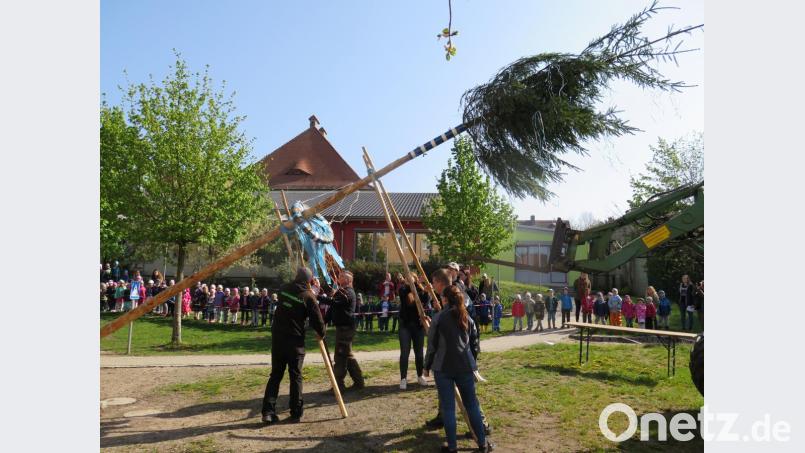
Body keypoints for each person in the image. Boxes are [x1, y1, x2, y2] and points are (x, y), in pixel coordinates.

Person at [424, 270, 493, 453]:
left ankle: (453, 447)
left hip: (444, 368)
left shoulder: (439, 318)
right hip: (464, 366)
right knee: (471, 405)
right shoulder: (467, 317)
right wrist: (472, 362)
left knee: (449, 409)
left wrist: (426, 368)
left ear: (445, 300)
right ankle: (482, 445)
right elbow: (474, 342)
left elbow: (432, 345)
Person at [261, 267, 326, 425]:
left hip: (278, 339)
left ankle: (268, 412)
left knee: (275, 375)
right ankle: (296, 412)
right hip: (294, 341)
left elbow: (293, 294)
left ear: (296, 276)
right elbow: (318, 322)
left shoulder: (283, 289)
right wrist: (322, 333)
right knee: (295, 376)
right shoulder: (308, 297)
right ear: (309, 281)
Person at [320, 270, 365, 391]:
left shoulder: (349, 292)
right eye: (339, 276)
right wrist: (324, 321)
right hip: (342, 328)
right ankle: (358, 382)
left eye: (341, 276)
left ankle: (339, 385)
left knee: (340, 356)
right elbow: (332, 308)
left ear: (348, 280)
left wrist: (318, 297)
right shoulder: (340, 292)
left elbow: (334, 303)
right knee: (346, 355)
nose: (338, 277)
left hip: (346, 328)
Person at [397, 272, 430, 389]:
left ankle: (420, 376)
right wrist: (408, 285)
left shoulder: (421, 291)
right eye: (407, 278)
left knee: (419, 353)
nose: (408, 279)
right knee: (405, 353)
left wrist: (426, 289)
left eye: (411, 278)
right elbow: (404, 295)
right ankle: (403, 378)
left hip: (418, 325)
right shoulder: (403, 290)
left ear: (416, 279)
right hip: (405, 325)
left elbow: (426, 300)